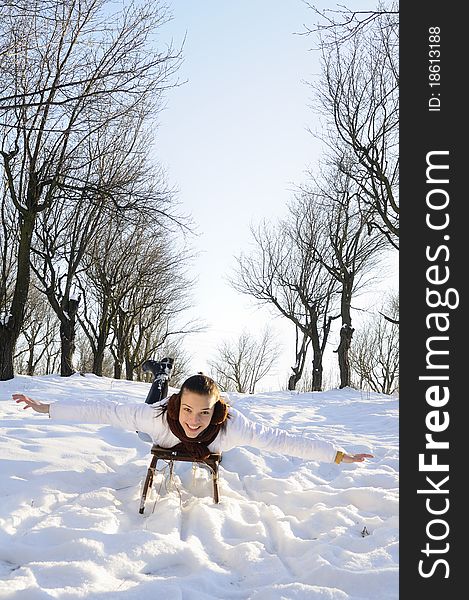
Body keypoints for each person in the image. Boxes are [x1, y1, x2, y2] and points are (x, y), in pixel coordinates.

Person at [12, 373, 373, 465]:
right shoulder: (159, 417)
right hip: (154, 424)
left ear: (216, 411)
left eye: (203, 412)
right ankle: (159, 381)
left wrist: (338, 455)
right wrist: (47, 408)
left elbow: (282, 440)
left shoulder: (233, 427)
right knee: (138, 422)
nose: (194, 420)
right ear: (179, 405)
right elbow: (102, 409)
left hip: (206, 442)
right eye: (188, 409)